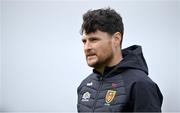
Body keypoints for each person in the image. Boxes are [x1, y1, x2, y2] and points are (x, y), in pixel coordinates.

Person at [77, 7, 163, 112]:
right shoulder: (85, 85)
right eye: (84, 41)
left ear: (116, 39)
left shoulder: (140, 84)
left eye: (94, 39)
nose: (87, 47)